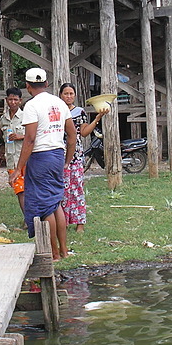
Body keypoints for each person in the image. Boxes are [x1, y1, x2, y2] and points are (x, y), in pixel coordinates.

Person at [10, 68, 77, 260]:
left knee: (44, 206)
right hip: (57, 155)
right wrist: (66, 160)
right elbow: (72, 136)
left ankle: (54, 253)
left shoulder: (31, 106)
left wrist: (18, 169)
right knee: (56, 203)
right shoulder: (59, 102)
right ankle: (64, 250)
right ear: (47, 84)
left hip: (40, 157)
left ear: (27, 86)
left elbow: (29, 139)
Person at [58, 82, 108, 233]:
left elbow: (84, 132)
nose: (68, 96)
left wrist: (98, 118)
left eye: (71, 93)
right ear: (60, 95)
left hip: (76, 155)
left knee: (77, 188)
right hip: (59, 153)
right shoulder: (57, 111)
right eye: (65, 93)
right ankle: (63, 221)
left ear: (75, 95)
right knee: (62, 189)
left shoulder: (79, 112)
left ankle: (80, 222)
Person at [0, 87, 26, 214]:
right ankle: (28, 219)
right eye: (10, 99)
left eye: (15, 99)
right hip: (12, 159)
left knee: (29, 190)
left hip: (26, 159)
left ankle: (33, 218)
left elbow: (35, 136)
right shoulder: (3, 119)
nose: (13, 102)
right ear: (6, 100)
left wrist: (21, 136)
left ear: (20, 101)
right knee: (19, 190)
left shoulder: (26, 117)